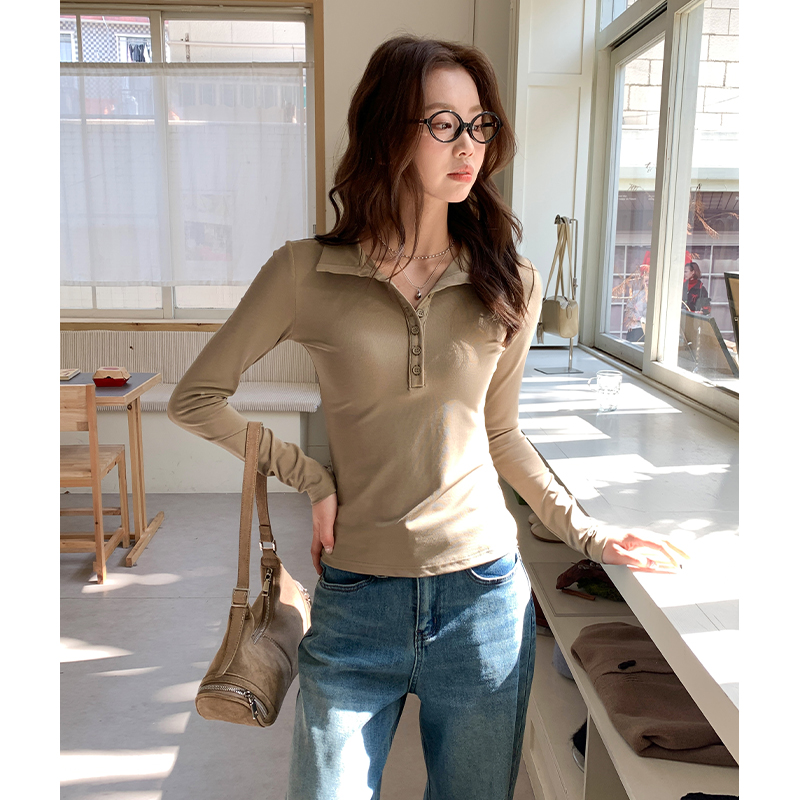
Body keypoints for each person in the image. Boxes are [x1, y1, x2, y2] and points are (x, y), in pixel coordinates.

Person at [168, 35, 688, 800]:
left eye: (479, 124)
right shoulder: (305, 271)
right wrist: (311, 477)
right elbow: (195, 398)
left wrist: (587, 533)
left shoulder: (509, 279)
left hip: (484, 601)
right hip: (355, 601)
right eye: (442, 123)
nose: (468, 145)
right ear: (388, 132)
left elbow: (500, 432)